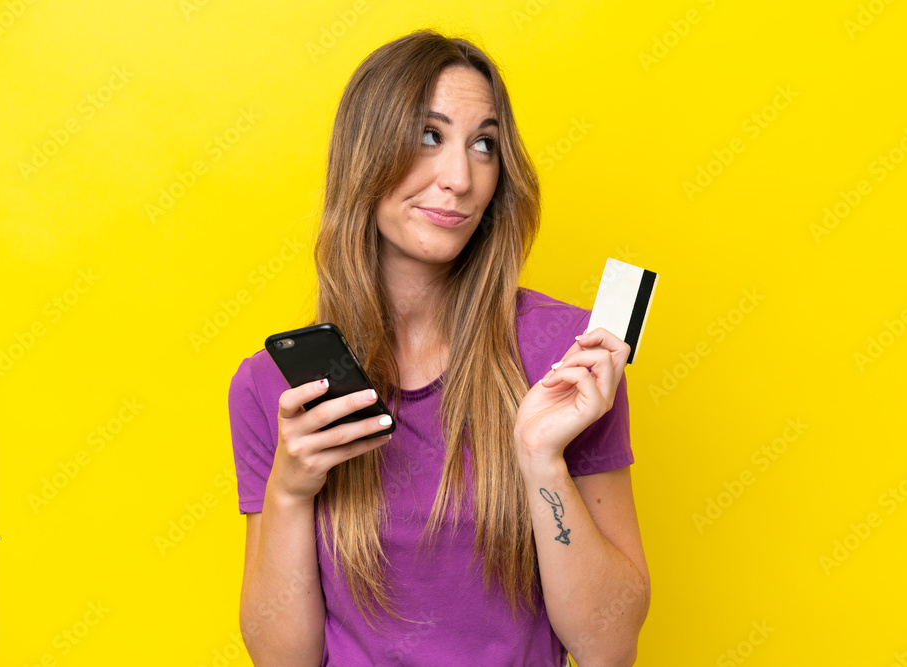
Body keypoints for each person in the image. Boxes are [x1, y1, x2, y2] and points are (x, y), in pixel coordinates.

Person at [228, 29, 650, 666]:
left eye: (483, 145)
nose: (460, 178)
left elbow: (610, 646)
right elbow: (281, 660)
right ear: (364, 155)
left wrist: (542, 459)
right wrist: (290, 492)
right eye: (430, 136)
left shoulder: (568, 358)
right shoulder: (271, 386)